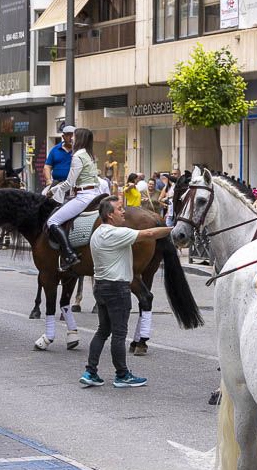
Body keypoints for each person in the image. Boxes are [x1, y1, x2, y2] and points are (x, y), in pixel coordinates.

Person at [79, 197, 172, 388]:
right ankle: (122, 375)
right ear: (109, 215)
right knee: (119, 334)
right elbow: (149, 233)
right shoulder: (115, 234)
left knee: (103, 331)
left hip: (101, 287)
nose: (123, 212)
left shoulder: (97, 233)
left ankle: (90, 371)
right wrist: (173, 229)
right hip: (117, 289)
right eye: (119, 209)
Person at [46, 128, 103, 269]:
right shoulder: (90, 155)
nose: (71, 139)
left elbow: (69, 183)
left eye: (74, 137)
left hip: (84, 196)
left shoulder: (78, 156)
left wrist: (53, 191)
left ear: (80, 139)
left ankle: (69, 255)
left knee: (52, 221)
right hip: (96, 193)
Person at [42, 126, 74, 195]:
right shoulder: (55, 150)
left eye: (73, 135)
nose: (71, 137)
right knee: (44, 195)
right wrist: (48, 180)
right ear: (63, 136)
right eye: (68, 135)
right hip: (58, 183)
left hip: (74, 184)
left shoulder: (78, 150)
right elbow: (47, 166)